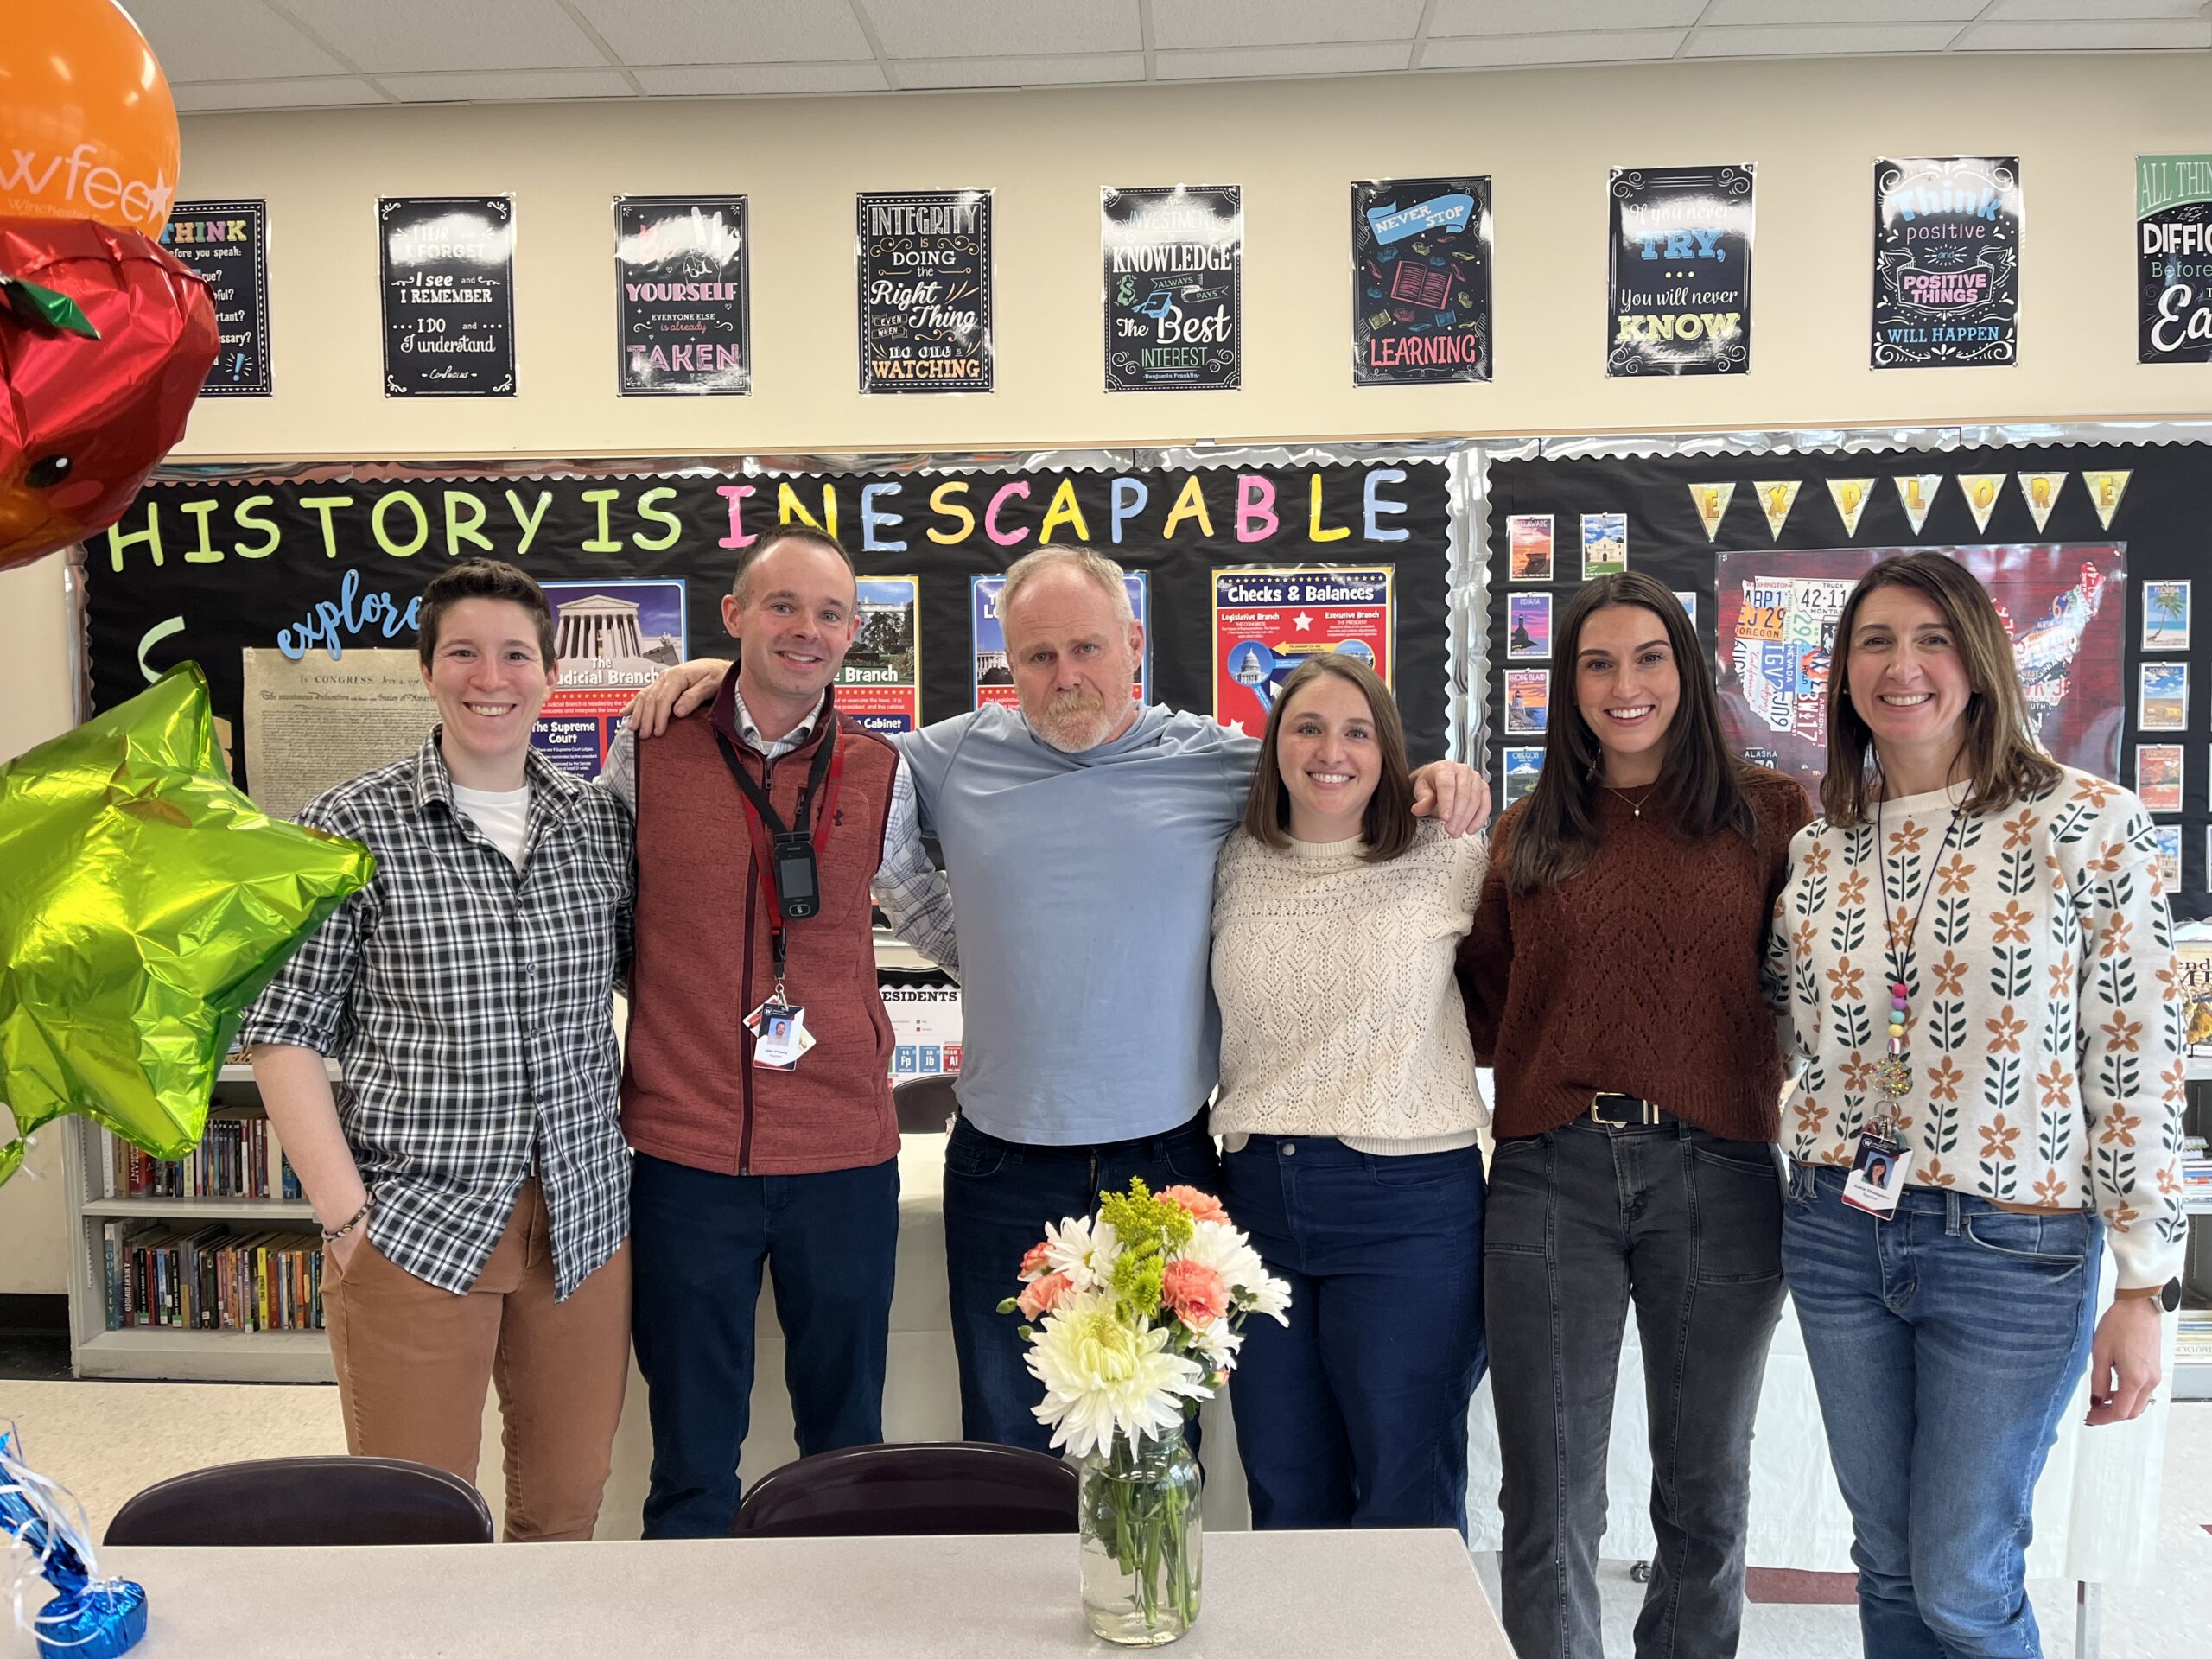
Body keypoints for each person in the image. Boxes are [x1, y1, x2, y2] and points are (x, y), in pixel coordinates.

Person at [627, 542, 1486, 1450]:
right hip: (1002, 1165)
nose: (1064, 676)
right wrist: (720, 675)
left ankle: (1144, 1603)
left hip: (1168, 1161)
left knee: (1154, 1446)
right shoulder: (947, 759)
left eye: (1086, 649)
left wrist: (1436, 775)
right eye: (1036, 656)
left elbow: (1338, 767)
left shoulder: (1223, 764)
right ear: (1009, 663)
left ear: (1134, 643)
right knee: (1010, 1447)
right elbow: (802, 736)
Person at [1767, 552, 2184, 1658]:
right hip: (1838, 1229)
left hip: (2014, 1243)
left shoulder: (2090, 826)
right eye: (1874, 642)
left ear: (1984, 662)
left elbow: (2137, 1058)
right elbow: (1787, 1032)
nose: (1902, 666)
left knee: (1962, 1576)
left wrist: (2147, 1286)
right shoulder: (1818, 850)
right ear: (1843, 672)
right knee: (1889, 1562)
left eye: (1931, 638)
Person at [241, 559, 635, 1542]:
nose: (488, 676)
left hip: (581, 1226)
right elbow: (280, 1027)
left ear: (551, 675)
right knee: (413, 1523)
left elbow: (654, 981)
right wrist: (343, 1214)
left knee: (566, 1507)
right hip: (414, 1226)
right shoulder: (351, 824)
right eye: (462, 651)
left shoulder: (598, 826)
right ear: (427, 670)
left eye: (514, 654)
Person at [1458, 569, 1811, 1658]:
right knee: (1547, 1495)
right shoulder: (1524, 835)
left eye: (1647, 658)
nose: (1624, 685)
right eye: (1596, 663)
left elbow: (1811, 982)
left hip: (1720, 1170)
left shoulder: (1772, 815)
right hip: (1549, 1173)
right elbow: (1484, 1001)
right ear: (1564, 687)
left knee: (1702, 1494)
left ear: (1688, 673)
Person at [600, 524, 956, 1539]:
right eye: (783, 606)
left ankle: (839, 1628)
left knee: (845, 1444)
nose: (807, 629)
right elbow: (603, 907)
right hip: (685, 1154)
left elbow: (924, 909)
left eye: (830, 613)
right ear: (735, 618)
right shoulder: (649, 747)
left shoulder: (879, 769)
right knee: (691, 1448)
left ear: (854, 635)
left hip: (843, 1156)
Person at [1209, 652, 1490, 1533]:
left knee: (1403, 1493)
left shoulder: (1449, 852)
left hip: (1409, 1207)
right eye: (1308, 726)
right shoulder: (1231, 859)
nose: (1332, 750)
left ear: (1388, 752)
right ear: (1275, 745)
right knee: (1284, 1487)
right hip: (1255, 1207)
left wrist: (1458, 784)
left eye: (1357, 731)